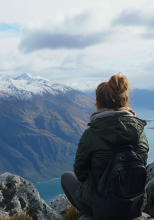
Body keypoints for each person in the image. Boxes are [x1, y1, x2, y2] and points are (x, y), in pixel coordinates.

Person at [61, 73, 149, 216]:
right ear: (124, 102)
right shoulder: (139, 132)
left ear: (98, 103)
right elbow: (141, 165)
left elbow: (80, 175)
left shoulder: (91, 134)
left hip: (100, 206)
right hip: (134, 205)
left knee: (66, 177)